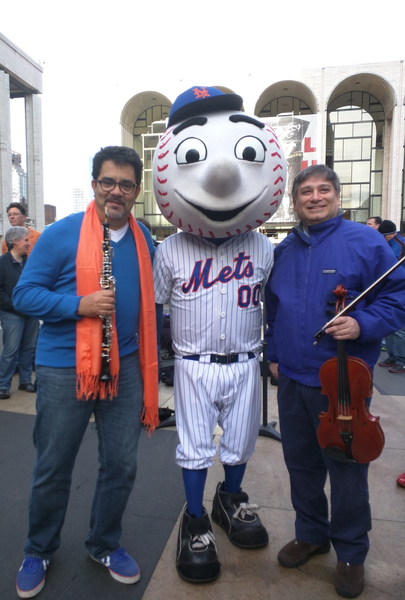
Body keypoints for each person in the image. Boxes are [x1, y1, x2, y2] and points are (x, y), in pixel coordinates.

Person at [152, 86, 287, 583]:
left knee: (240, 443)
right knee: (193, 445)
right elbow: (156, 308)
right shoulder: (169, 251)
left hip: (246, 360)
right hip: (192, 363)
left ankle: (229, 502)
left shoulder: (266, 248)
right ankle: (194, 521)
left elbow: (281, 304)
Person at [12, 146, 159, 599]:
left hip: (127, 368)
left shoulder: (144, 239)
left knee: (122, 465)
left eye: (126, 184)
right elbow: (24, 296)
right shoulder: (60, 234)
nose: (116, 191)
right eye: (108, 182)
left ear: (137, 191)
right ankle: (38, 549)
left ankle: (104, 543)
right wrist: (79, 306)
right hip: (63, 370)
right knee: (54, 466)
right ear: (95, 183)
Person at [265, 164, 405, 598]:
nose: (314, 197)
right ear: (295, 201)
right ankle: (311, 533)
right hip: (291, 378)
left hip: (342, 382)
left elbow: (397, 297)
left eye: (323, 189)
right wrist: (272, 356)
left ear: (338, 197)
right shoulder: (283, 249)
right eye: (305, 191)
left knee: (346, 470)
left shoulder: (366, 241)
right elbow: (273, 310)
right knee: (301, 465)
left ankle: (350, 552)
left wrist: (361, 323)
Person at [0, 226, 38, 399]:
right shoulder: (2, 263)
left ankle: (25, 381)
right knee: (10, 350)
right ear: (15, 242)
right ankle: (3, 385)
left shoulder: (30, 263)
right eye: (26, 240)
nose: (29, 244)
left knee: (29, 348)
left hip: (30, 313)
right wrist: (16, 306)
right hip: (11, 314)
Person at [377, 220, 405, 374]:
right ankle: (393, 355)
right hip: (389, 289)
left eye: (385, 236)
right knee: (390, 324)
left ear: (392, 233)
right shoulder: (387, 245)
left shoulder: (401, 244)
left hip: (402, 289)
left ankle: (402, 360)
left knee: (400, 327)